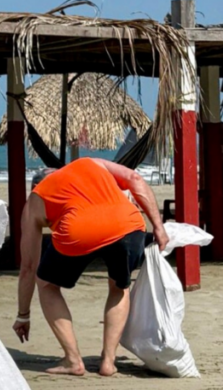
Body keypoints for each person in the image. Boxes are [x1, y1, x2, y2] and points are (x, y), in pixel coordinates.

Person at [13, 157, 169, 377]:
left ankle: (73, 360)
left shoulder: (35, 199)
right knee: (119, 285)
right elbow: (135, 178)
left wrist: (23, 315)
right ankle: (108, 361)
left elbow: (28, 267)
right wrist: (159, 227)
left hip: (78, 232)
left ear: (35, 186)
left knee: (46, 283)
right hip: (128, 224)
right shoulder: (90, 163)